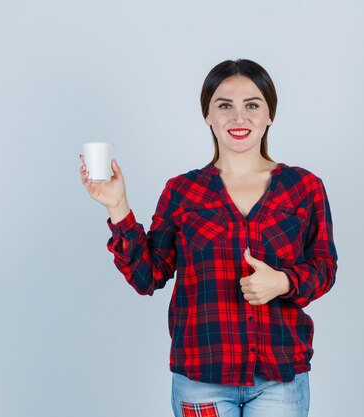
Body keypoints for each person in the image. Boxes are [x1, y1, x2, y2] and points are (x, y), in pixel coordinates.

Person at [79, 59, 338, 417]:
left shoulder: (304, 188)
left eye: (252, 105)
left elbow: (324, 268)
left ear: (269, 115)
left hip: (280, 379)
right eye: (224, 106)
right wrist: (118, 207)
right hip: (202, 381)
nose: (238, 118)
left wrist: (282, 281)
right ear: (208, 116)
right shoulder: (183, 192)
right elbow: (147, 276)